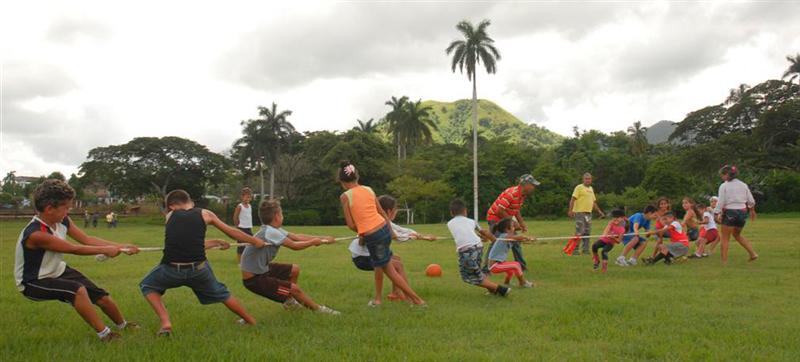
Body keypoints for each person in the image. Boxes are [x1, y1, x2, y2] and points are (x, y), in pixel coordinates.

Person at [14, 179, 140, 342]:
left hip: (57, 270)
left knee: (102, 297)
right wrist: (107, 250)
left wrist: (122, 246)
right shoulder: (36, 234)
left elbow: (86, 239)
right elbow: (74, 249)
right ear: (49, 209)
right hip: (33, 282)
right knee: (78, 290)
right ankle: (106, 335)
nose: (68, 211)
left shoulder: (62, 220)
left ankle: (123, 325)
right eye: (66, 207)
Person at [139, 189, 267, 336]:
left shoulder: (169, 216)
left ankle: (166, 322)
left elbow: (187, 243)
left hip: (171, 270)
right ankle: (250, 321)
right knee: (222, 294)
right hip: (199, 270)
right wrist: (254, 241)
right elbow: (232, 232)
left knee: (147, 285)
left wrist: (216, 242)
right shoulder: (206, 214)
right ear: (191, 202)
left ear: (172, 206)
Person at [337, 161, 425, 306]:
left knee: (389, 270)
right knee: (387, 266)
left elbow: (351, 224)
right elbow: (382, 212)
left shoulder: (345, 196)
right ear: (357, 177)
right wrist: (391, 232)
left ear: (341, 181)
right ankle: (390, 300)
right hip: (384, 229)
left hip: (373, 236)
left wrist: (362, 232)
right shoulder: (369, 189)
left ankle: (417, 300)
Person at [241, 199, 340, 315]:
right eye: (281, 213)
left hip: (262, 269)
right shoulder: (270, 232)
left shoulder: (274, 229)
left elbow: (296, 237)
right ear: (277, 216)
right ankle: (319, 310)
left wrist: (323, 239)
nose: (282, 216)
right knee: (293, 289)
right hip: (254, 279)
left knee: (294, 270)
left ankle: (289, 302)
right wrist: (313, 242)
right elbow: (294, 246)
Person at [349, 195, 436, 306]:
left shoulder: (381, 220)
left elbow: (401, 230)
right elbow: (397, 237)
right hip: (362, 258)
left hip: (369, 254)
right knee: (397, 265)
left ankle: (396, 293)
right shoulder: (379, 223)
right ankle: (408, 298)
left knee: (396, 258)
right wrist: (416, 237)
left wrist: (420, 235)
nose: (396, 213)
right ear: (389, 211)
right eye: (395, 210)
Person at [446, 199, 510, 297]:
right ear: (465, 211)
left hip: (466, 250)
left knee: (467, 277)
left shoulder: (450, 223)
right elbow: (484, 232)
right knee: (477, 272)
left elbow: (463, 233)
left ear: (451, 213)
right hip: (478, 247)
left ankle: (500, 289)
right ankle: (492, 290)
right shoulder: (472, 221)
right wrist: (494, 240)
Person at [483, 174, 540, 272]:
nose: (533, 187)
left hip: (505, 219)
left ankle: (521, 266)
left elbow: (516, 210)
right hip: (495, 218)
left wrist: (521, 223)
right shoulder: (511, 194)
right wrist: (512, 222)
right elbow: (499, 210)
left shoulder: (522, 195)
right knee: (495, 241)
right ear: (524, 184)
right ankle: (486, 269)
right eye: (532, 185)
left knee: (515, 241)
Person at [714, 165, 758, 263]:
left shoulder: (724, 185)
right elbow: (751, 201)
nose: (721, 177)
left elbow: (721, 201)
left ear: (727, 175)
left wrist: (716, 213)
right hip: (742, 212)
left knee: (725, 237)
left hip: (730, 212)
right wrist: (752, 210)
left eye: (722, 175)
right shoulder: (743, 185)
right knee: (737, 234)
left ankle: (724, 262)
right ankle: (753, 254)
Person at [487, 217, 535, 287]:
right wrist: (527, 238)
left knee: (510, 271)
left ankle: (506, 283)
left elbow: (519, 240)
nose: (514, 227)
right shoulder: (504, 236)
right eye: (513, 226)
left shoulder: (509, 237)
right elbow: (519, 237)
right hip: (494, 266)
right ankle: (523, 283)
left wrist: (530, 240)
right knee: (516, 265)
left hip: (499, 263)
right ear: (507, 229)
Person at [568, 173, 605, 255]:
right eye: (586, 179)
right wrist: (570, 210)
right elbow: (573, 199)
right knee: (579, 231)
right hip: (580, 212)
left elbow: (594, 202)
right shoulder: (579, 187)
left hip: (588, 213)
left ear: (591, 180)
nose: (588, 180)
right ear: (583, 179)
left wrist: (600, 212)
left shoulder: (591, 189)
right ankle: (575, 250)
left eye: (589, 179)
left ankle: (585, 250)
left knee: (587, 232)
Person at [232, 187, 254, 263]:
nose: (248, 199)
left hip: (248, 228)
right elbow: (235, 217)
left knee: (251, 243)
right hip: (241, 228)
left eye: (249, 197)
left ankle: (248, 259)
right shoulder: (240, 206)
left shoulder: (250, 206)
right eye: (246, 197)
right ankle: (240, 261)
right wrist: (237, 226)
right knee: (241, 245)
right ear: (242, 197)